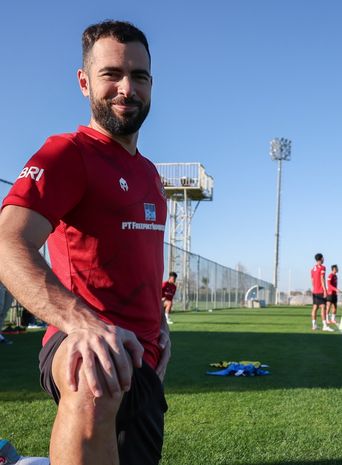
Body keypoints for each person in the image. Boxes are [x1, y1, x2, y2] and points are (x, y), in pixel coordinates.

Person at [0, 21, 169, 465]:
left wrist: (161, 328)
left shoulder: (151, 175)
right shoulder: (67, 153)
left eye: (140, 76)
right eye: (111, 73)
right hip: (79, 342)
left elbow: (140, 264)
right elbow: (7, 242)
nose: (126, 88)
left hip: (143, 360)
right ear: (83, 81)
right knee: (91, 372)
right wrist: (82, 323)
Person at [310, 253, 331, 331]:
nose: (324, 259)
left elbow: (312, 280)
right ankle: (325, 326)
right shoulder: (322, 267)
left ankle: (314, 325)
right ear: (321, 259)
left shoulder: (312, 269)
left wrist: (314, 288)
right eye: (323, 258)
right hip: (320, 291)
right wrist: (325, 290)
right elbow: (322, 279)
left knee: (315, 308)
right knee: (323, 307)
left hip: (314, 291)